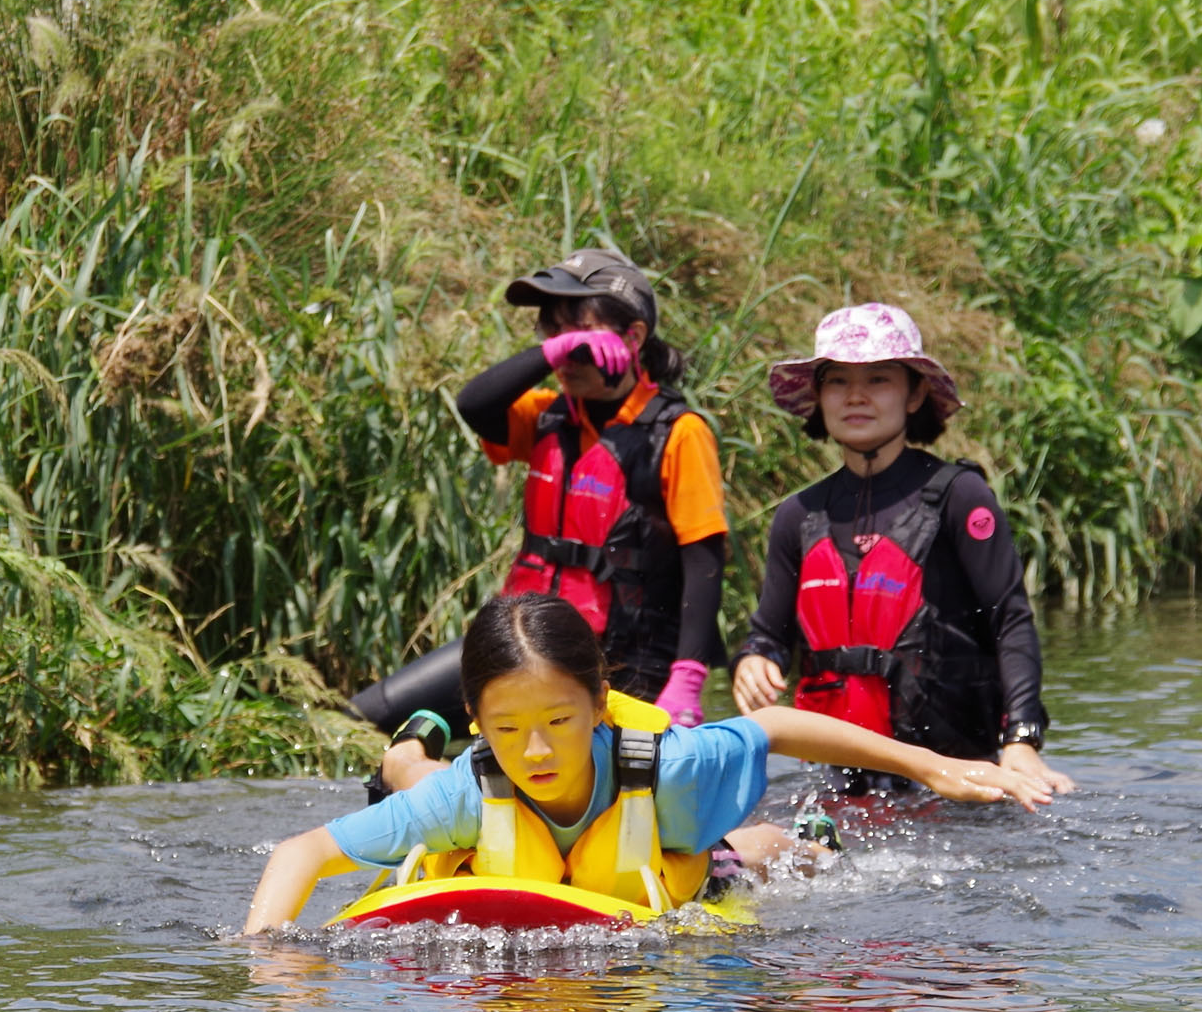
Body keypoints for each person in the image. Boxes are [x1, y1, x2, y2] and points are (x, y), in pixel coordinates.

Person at [244, 592, 1053, 935]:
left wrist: (930, 764)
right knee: (433, 790)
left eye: (560, 721)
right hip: (463, 794)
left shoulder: (668, 765)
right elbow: (301, 853)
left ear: (599, 704)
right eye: (510, 728)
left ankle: (807, 837)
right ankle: (411, 746)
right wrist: (267, 958)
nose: (537, 750)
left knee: (742, 857)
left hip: (664, 858)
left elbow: (772, 726)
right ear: (480, 723)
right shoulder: (482, 774)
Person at [354, 248, 730, 794]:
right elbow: (475, 404)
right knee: (369, 715)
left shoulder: (679, 432)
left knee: (580, 790)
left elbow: (704, 560)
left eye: (579, 325)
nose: (563, 344)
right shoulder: (547, 415)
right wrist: (555, 349)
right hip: (517, 642)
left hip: (617, 662)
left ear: (633, 336)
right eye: (551, 327)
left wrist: (688, 677)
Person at [733, 303, 1073, 793]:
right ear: (818, 396)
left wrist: (1021, 739)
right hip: (839, 781)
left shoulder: (959, 496)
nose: (855, 397)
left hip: (956, 772)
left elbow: (1010, 619)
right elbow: (768, 634)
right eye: (837, 381)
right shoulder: (798, 516)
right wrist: (753, 660)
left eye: (878, 380)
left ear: (915, 395)